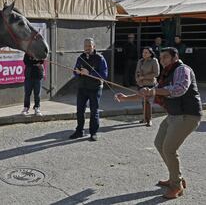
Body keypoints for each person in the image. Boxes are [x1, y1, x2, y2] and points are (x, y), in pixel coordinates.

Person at [115, 47, 202, 199]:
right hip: (174, 114)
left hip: (188, 115)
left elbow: (179, 89)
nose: (162, 61)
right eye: (161, 58)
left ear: (175, 57)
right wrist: (125, 98)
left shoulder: (182, 69)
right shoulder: (166, 74)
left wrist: (153, 91)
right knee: (159, 143)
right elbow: (148, 93)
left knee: (169, 149)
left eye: (165, 57)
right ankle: (176, 177)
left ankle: (176, 186)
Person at [70, 38, 108, 141]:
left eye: (89, 46)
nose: (87, 48)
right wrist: (77, 72)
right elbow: (75, 70)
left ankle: (93, 132)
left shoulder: (100, 58)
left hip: (95, 88)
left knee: (94, 110)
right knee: (79, 110)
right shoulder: (80, 57)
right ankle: (79, 131)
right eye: (85, 46)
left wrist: (90, 73)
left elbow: (104, 75)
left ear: (94, 46)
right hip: (82, 87)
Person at [135, 47, 160, 126]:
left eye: (146, 52)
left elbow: (156, 73)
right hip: (141, 84)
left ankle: (149, 119)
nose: (144, 54)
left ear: (150, 53)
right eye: (143, 52)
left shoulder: (154, 61)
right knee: (143, 101)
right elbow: (137, 72)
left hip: (150, 84)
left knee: (148, 102)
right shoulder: (140, 61)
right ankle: (144, 117)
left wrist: (144, 77)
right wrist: (138, 79)